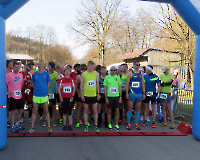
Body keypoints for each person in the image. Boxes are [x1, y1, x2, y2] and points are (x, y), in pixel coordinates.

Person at [28, 60, 52, 133]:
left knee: (46, 111)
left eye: (40, 64)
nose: (39, 65)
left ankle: (49, 127)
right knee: (34, 111)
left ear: (43, 65)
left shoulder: (46, 74)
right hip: (36, 95)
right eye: (38, 64)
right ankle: (32, 127)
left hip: (44, 95)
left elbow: (49, 83)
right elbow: (32, 83)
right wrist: (35, 89)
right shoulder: (34, 74)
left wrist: (46, 89)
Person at [80, 61, 100, 132]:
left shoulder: (96, 73)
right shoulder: (84, 74)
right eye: (91, 66)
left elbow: (97, 84)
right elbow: (81, 84)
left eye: (93, 66)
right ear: (87, 66)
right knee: (85, 110)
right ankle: (86, 125)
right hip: (86, 95)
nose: (92, 68)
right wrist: (82, 95)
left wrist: (98, 93)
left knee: (95, 110)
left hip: (94, 95)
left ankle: (96, 125)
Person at [126, 60, 145, 130]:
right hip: (132, 93)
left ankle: (136, 124)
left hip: (139, 93)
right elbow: (127, 83)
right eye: (137, 65)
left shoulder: (141, 73)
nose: (138, 66)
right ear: (133, 65)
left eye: (139, 65)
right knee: (130, 108)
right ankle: (128, 124)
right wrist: (127, 93)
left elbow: (143, 83)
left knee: (138, 109)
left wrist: (143, 93)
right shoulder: (130, 73)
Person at [6, 61, 25, 133]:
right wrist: (6, 92)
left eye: (18, 68)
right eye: (16, 67)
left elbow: (22, 82)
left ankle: (17, 123)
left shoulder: (20, 75)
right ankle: (13, 126)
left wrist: (19, 89)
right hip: (12, 96)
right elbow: (2, 84)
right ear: (13, 67)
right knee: (13, 112)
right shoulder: (9, 75)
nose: (17, 69)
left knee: (21, 110)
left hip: (19, 96)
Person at [104, 66, 122, 131]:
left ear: (116, 71)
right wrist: (106, 98)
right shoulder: (107, 77)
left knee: (117, 111)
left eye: (114, 70)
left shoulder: (118, 77)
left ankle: (116, 124)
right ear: (110, 71)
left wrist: (120, 97)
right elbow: (105, 88)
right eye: (111, 70)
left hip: (116, 96)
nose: (113, 71)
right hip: (109, 96)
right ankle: (109, 124)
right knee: (109, 111)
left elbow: (120, 88)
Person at [58, 66, 76, 131]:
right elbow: (59, 89)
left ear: (70, 72)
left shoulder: (72, 80)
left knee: (70, 113)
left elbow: (74, 89)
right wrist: (60, 97)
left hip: (70, 98)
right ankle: (65, 125)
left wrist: (72, 96)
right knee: (64, 113)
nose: (67, 72)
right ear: (64, 72)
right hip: (64, 98)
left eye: (69, 71)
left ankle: (70, 125)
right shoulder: (61, 80)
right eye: (66, 71)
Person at [48, 61, 60, 127]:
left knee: (54, 106)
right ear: (48, 66)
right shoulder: (45, 73)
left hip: (53, 92)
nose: (52, 69)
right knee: (46, 106)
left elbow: (58, 83)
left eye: (53, 67)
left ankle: (53, 120)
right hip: (46, 92)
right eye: (51, 67)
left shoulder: (55, 74)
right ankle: (46, 120)